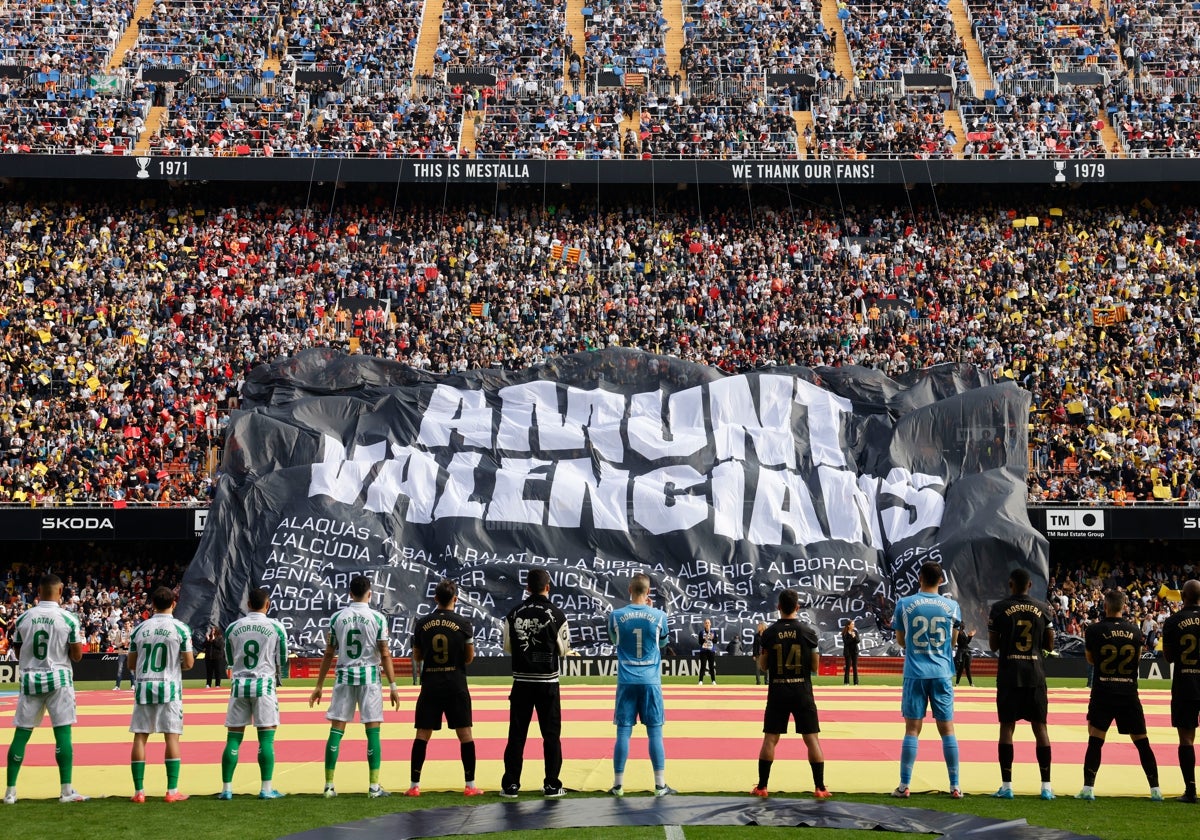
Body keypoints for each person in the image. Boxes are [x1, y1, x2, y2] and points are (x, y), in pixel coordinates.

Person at [308, 575, 401, 799]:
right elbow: (385, 653)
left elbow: (329, 653)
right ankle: (373, 787)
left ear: (350, 594)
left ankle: (329, 786)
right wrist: (393, 685)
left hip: (344, 677)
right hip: (369, 678)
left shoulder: (337, 618)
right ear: (370, 593)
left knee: (336, 730)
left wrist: (319, 685)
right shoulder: (378, 619)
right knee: (373, 732)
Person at [4, 573, 89, 805]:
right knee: (62, 732)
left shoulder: (23, 618)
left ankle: (10, 793)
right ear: (60, 591)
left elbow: (19, 653)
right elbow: (78, 656)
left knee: (22, 733)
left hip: (31, 678)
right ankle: (66, 791)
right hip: (59, 678)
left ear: (38, 591)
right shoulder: (68, 619)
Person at [1076, 589, 1162, 801]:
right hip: (1128, 693)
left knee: (1095, 740)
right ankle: (1156, 790)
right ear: (1124, 606)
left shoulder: (1094, 630)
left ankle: (1088, 789)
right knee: (1142, 741)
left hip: (1103, 691)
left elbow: (1090, 660)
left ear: (1105, 606)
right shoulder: (1135, 631)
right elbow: (1138, 659)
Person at [891, 560, 962, 799]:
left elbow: (901, 641)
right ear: (941, 580)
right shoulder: (952, 606)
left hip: (915, 673)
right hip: (942, 672)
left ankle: (904, 785)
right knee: (947, 729)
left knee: (912, 729)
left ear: (920, 578)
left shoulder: (905, 604)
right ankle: (955, 785)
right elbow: (953, 641)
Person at [752, 589, 831, 799]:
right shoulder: (808, 632)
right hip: (802, 690)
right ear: (797, 607)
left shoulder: (768, 633)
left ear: (779, 607)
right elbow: (815, 667)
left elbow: (764, 666)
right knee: (811, 738)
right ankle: (820, 787)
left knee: (770, 739)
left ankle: (762, 786)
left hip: (778, 690)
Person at [407, 579, 483, 798]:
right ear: (455, 599)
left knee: (422, 734)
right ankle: (470, 785)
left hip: (430, 683)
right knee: (465, 734)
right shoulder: (464, 624)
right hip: (456, 683)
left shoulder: (422, 624)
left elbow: (417, 656)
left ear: (435, 598)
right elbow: (469, 658)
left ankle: (414, 785)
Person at [500, 568, 571, 799]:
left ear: (527, 588)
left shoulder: (514, 613)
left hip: (521, 682)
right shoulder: (557, 614)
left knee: (516, 735)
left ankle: (511, 785)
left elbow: (508, 648)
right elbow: (564, 650)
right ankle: (552, 784)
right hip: (547, 683)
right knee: (551, 735)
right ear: (547, 587)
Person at [988, 567, 1055, 800]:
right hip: (1035, 675)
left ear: (1010, 584)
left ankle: (1007, 786)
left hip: (1009, 674)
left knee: (1007, 728)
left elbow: (993, 646)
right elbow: (1050, 646)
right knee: (1040, 728)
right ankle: (1046, 787)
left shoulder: (999, 608)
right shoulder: (1044, 609)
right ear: (1029, 585)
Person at [606, 572, 675, 796]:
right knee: (655, 732)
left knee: (623, 733)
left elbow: (615, 641)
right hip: (650, 681)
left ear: (629, 590)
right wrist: (650, 611)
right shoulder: (659, 616)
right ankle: (660, 784)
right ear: (648, 593)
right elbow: (663, 642)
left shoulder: (616, 616)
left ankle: (618, 785)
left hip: (626, 680)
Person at [218, 586, 288, 800]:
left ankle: (226, 789)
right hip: (264, 684)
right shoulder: (276, 627)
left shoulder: (233, 627)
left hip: (239, 685)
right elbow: (282, 659)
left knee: (233, 737)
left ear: (248, 604)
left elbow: (229, 660)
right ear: (268, 605)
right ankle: (266, 789)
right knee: (266, 738)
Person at [129, 585, 195, 803]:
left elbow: (131, 663)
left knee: (140, 736)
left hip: (144, 686)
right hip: (169, 687)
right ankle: (172, 790)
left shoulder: (139, 629)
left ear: (153, 605)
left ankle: (139, 792)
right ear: (173, 604)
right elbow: (188, 662)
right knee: (172, 736)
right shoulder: (181, 629)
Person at [1162, 578, 1200, 803]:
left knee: (1186, 739)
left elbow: (1168, 657)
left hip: (1185, 683)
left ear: (1183, 597)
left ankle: (1190, 790)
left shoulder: (1173, 621)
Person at [113, 620, 134, 691]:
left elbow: (136, 642)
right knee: (119, 669)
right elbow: (116, 643)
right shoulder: (120, 632)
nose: (126, 625)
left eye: (128, 623)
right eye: (125, 624)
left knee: (131, 669)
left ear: (130, 624)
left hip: (130, 652)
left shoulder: (133, 631)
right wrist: (121, 643)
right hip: (121, 652)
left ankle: (133, 685)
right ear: (123, 625)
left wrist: (130, 642)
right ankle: (117, 686)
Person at [696, 618, 717, 685]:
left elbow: (716, 641)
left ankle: (713, 681)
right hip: (703, 651)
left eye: (708, 623)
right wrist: (704, 639)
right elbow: (699, 642)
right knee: (703, 666)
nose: (707, 624)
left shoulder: (713, 632)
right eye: (706, 623)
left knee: (711, 666)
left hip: (711, 651)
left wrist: (712, 638)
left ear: (710, 624)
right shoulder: (701, 632)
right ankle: (700, 681)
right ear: (704, 625)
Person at [841, 620, 860, 686]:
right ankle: (846, 682)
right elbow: (846, 642)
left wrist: (854, 636)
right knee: (847, 667)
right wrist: (852, 638)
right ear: (848, 625)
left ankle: (856, 682)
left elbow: (858, 641)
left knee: (855, 667)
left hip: (855, 651)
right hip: (848, 652)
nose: (853, 625)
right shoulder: (844, 633)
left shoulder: (855, 632)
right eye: (852, 624)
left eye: (853, 624)